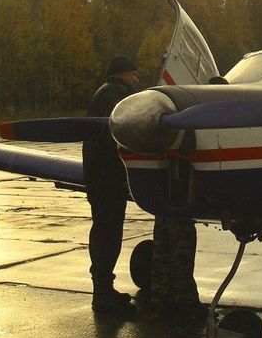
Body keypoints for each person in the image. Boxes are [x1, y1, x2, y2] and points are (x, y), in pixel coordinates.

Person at [83, 56, 139, 314]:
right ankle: (103, 293)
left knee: (103, 229)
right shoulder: (116, 95)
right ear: (123, 74)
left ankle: (103, 289)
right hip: (108, 176)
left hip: (97, 174)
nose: (136, 79)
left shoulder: (102, 93)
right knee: (108, 232)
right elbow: (117, 133)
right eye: (133, 74)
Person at [149, 217, 207, 324]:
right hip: (179, 205)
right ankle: (184, 300)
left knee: (163, 241)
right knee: (181, 239)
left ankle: (162, 299)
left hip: (164, 203)